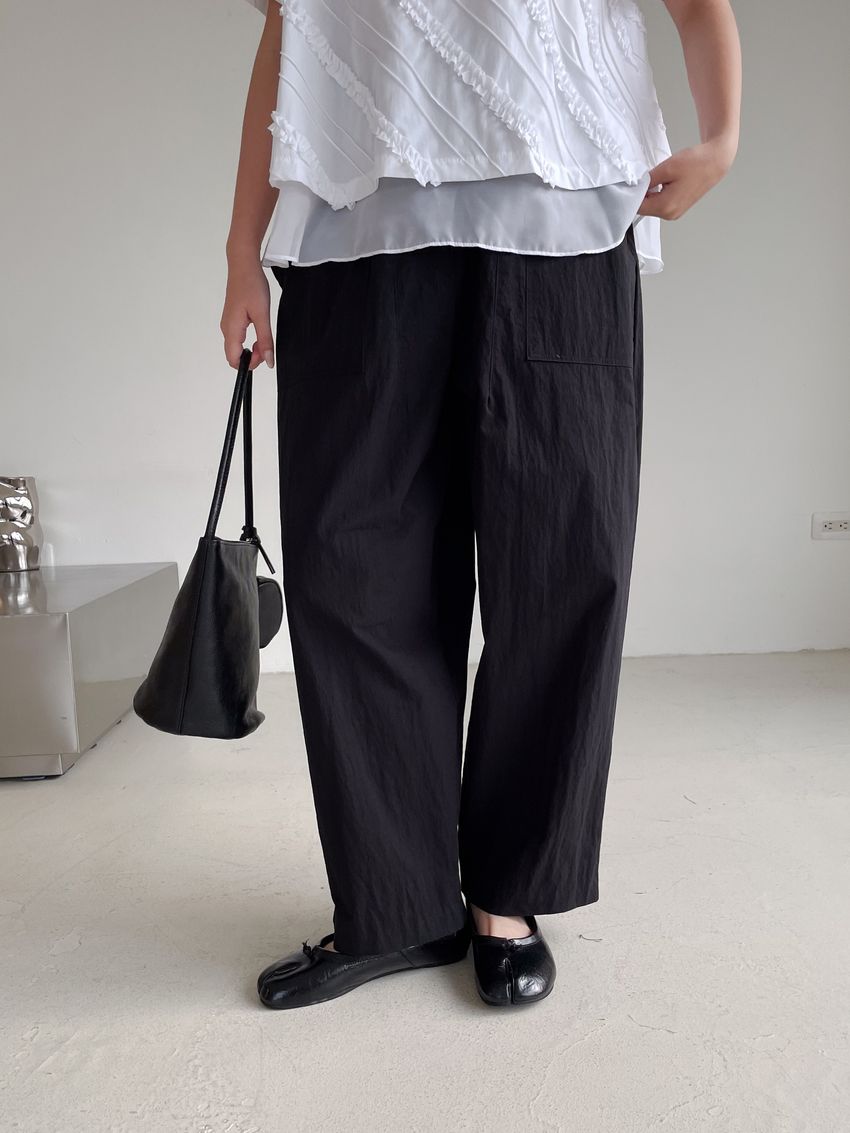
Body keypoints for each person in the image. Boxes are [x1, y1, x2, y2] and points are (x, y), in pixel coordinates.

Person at [221, 0, 741, 1009]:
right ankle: (398, 906)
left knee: (561, 566)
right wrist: (242, 249)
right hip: (356, 229)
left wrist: (722, 135)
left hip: (561, 223)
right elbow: (291, 32)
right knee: (351, 568)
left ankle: (509, 895)